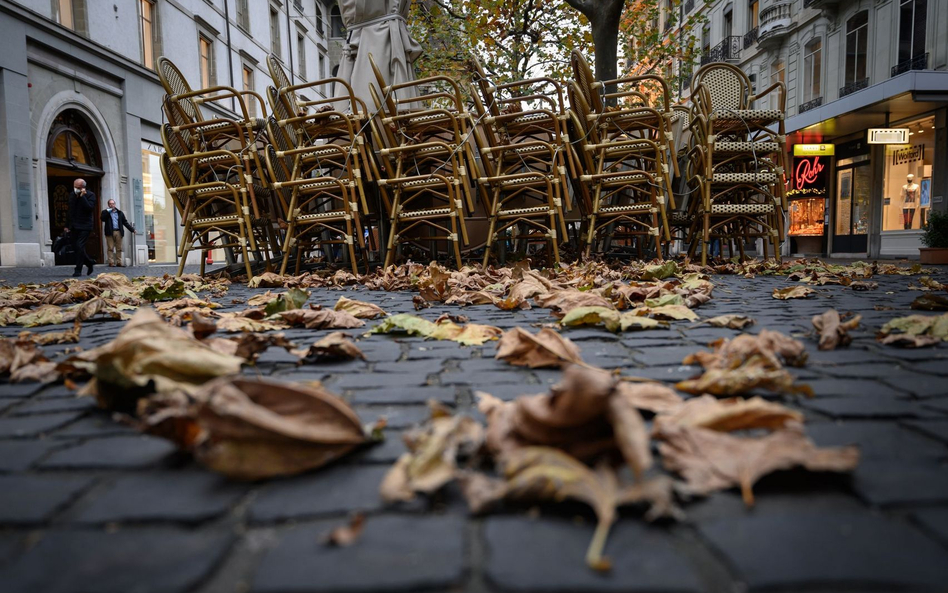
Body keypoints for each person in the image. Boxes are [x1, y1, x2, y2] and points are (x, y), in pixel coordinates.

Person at [65, 178, 96, 277]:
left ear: (83, 187)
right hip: (74, 225)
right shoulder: (72, 195)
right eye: (75, 187)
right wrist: (66, 225)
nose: (76, 189)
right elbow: (70, 211)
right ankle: (89, 262)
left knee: (79, 245)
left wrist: (83, 197)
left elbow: (89, 208)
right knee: (76, 247)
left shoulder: (91, 195)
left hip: (85, 226)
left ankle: (78, 269)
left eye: (78, 187)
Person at [100, 199, 135, 267]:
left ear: (115, 204)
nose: (111, 205)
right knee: (110, 248)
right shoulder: (105, 212)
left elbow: (125, 222)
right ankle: (111, 262)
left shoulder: (120, 213)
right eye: (110, 204)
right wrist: (108, 212)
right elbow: (102, 219)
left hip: (118, 231)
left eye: (113, 204)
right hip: (109, 232)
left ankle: (119, 262)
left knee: (119, 248)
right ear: (108, 205)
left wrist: (132, 229)